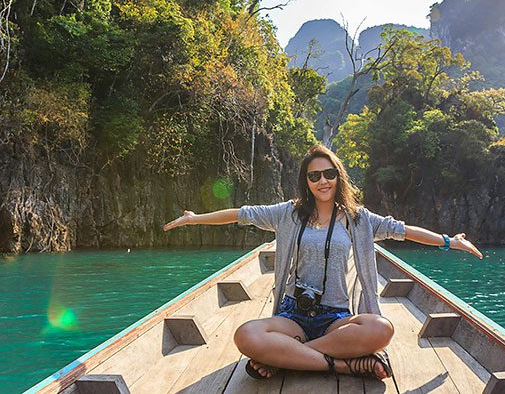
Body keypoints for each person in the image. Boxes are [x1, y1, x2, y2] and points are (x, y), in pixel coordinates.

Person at [163, 144, 482, 380]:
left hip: (336, 318)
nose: (322, 181)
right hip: (294, 315)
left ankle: (288, 357)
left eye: (329, 174)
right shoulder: (288, 213)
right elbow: (240, 214)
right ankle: (342, 364)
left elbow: (403, 231)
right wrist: (194, 219)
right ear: (307, 181)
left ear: (338, 176)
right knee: (246, 335)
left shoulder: (359, 220)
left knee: (380, 328)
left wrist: (449, 242)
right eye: (314, 176)